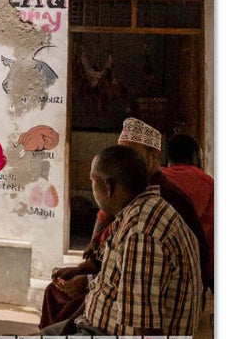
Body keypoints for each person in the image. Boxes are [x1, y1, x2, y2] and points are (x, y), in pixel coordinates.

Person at [3, 145, 202, 339]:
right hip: (103, 332)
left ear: (108, 187)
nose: (92, 188)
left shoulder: (142, 232)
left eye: (93, 181)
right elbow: (111, 275)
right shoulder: (138, 211)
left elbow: (147, 323)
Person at [42, 118, 211, 327]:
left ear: (153, 156)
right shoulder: (126, 193)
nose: (122, 161)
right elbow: (108, 238)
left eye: (132, 154)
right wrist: (85, 268)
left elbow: (141, 296)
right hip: (120, 285)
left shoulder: (159, 204)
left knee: (71, 313)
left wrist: (88, 281)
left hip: (158, 301)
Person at [162, 134, 213, 287]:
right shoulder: (207, 182)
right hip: (190, 265)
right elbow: (211, 235)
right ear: (195, 157)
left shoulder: (153, 178)